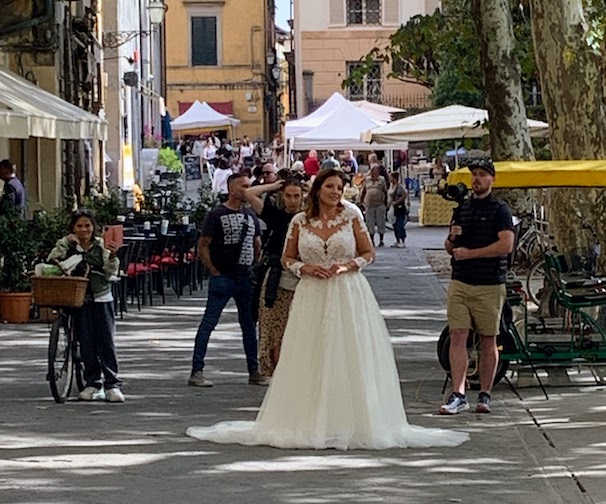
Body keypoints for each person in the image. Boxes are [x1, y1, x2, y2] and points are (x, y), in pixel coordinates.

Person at [187, 168, 469, 449]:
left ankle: (352, 417)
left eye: (339, 187)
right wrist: (305, 267)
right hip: (311, 291)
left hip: (347, 291)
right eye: (330, 187)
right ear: (318, 190)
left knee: (348, 350)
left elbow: (368, 253)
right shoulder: (300, 221)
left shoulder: (352, 216)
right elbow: (287, 258)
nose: (335, 192)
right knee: (311, 350)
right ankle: (307, 417)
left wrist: (347, 265)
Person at [440, 158, 514, 415]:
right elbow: (449, 246)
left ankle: (485, 393)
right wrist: (451, 239)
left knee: (488, 339)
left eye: (483, 175)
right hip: (460, 281)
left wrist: (470, 254)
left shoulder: (500, 210)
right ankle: (459, 393)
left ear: (493, 179)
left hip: (489, 283)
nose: (477, 179)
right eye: (474, 175)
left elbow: (506, 245)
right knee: (458, 335)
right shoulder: (462, 209)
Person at [189, 173, 267, 388]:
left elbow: (257, 243)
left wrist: (253, 266)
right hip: (223, 277)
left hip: (244, 277)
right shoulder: (217, 214)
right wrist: (213, 270)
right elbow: (203, 244)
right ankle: (197, 370)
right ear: (232, 189)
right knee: (209, 322)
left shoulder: (251, 215)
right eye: (244, 186)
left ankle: (254, 370)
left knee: (249, 325)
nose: (247, 190)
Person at [47, 210, 124, 402]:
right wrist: (67, 242)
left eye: (87, 225)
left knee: (105, 340)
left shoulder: (101, 245)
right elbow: (52, 260)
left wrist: (113, 254)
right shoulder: (67, 245)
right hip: (78, 298)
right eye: (79, 226)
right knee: (86, 341)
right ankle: (92, 382)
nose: (84, 230)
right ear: (73, 228)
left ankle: (112, 384)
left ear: (93, 227)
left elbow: (110, 270)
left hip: (100, 296)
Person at [244, 178, 304, 376]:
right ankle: (276, 370)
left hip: (303, 275)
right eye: (288, 196)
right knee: (272, 325)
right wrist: (273, 186)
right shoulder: (275, 215)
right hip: (276, 275)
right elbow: (249, 193)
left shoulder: (309, 218)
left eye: (297, 196)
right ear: (282, 196)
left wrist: (310, 186)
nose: (292, 201)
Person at [361, 163, 387, 247]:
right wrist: (361, 201)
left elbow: (385, 191)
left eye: (376, 171)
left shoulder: (381, 180)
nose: (374, 173)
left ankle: (381, 240)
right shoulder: (367, 180)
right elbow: (364, 191)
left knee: (380, 222)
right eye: (373, 171)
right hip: (369, 204)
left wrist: (386, 202)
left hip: (379, 204)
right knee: (370, 223)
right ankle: (371, 240)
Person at [388, 172, 408, 248]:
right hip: (392, 208)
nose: (390, 179)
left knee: (400, 224)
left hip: (399, 208)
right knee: (395, 224)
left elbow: (404, 195)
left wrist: (397, 202)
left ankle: (402, 240)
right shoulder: (391, 186)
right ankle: (397, 240)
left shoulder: (399, 187)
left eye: (391, 177)